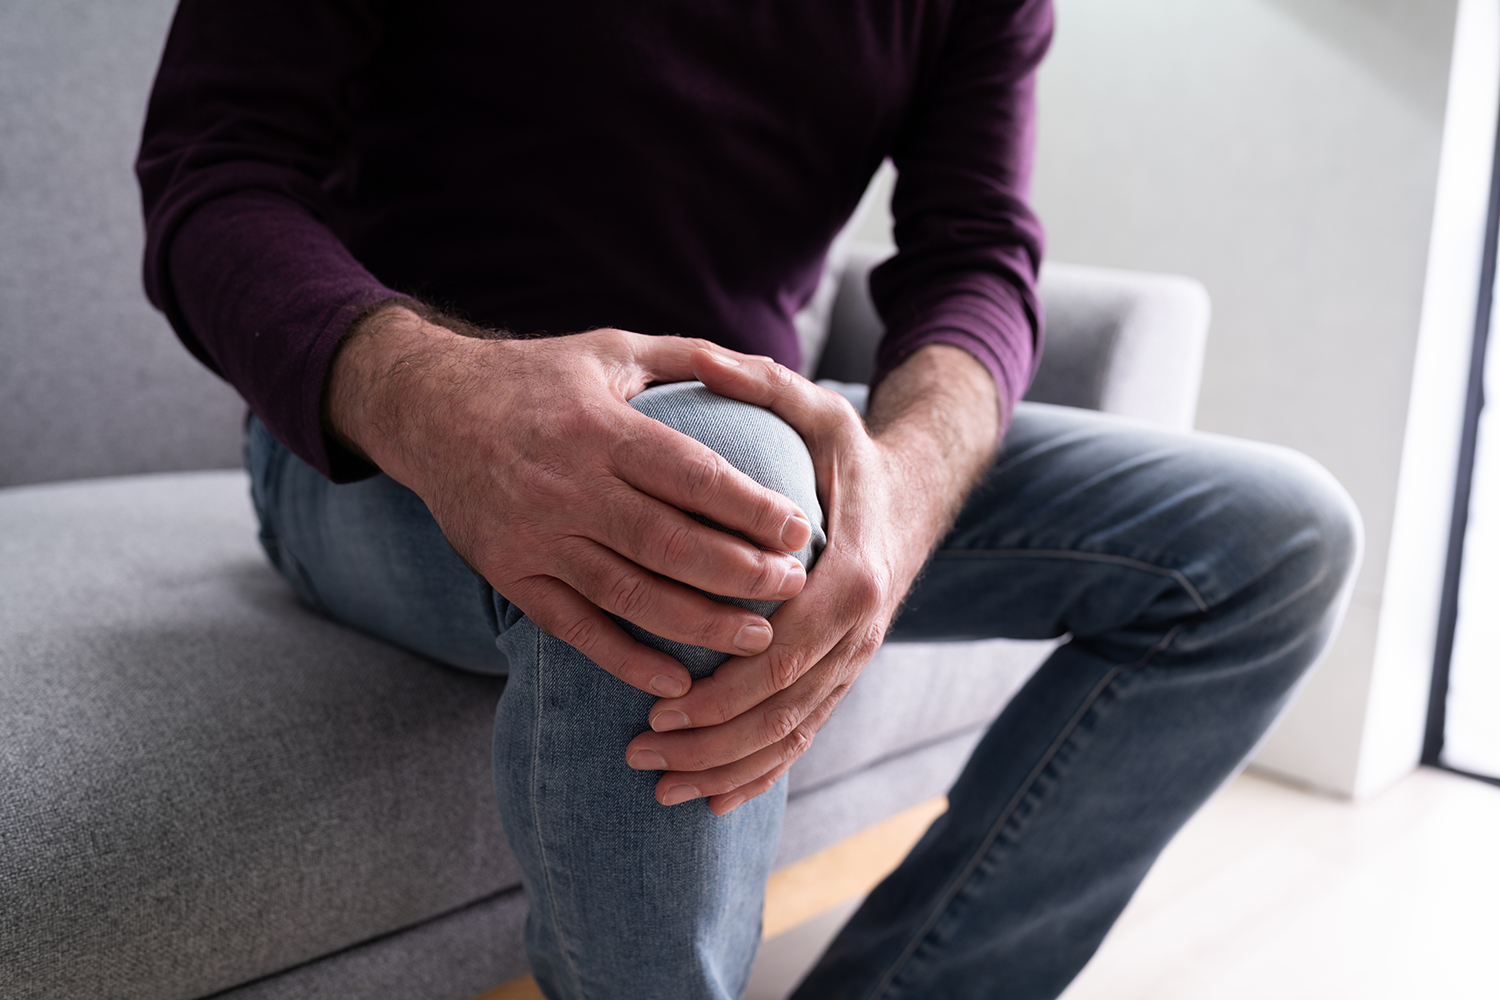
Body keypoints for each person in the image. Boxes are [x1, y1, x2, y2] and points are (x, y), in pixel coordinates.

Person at [137, 1, 1361, 997]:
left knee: (1276, 538)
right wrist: (445, 401)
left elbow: (977, 250)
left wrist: (901, 485)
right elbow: (214, 168)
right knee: (718, 491)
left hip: (763, 443)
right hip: (382, 442)